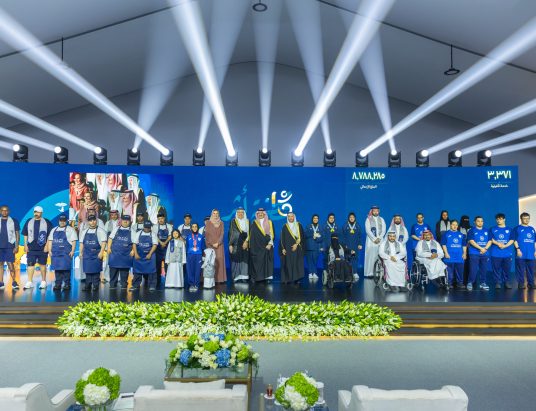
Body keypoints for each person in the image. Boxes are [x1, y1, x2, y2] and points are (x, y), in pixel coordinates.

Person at [22, 206, 52, 290]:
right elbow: (25, 234)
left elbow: (50, 235)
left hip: (42, 247)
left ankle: (43, 282)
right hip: (31, 247)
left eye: (38, 212)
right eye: (35, 212)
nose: (36, 213)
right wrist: (25, 245)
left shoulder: (46, 222)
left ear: (41, 213)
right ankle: (29, 282)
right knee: (30, 264)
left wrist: (47, 245)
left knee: (42, 264)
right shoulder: (29, 221)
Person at [47, 214, 77, 291]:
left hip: (66, 253)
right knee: (57, 270)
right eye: (61, 221)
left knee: (66, 269)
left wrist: (72, 251)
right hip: (56, 253)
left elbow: (74, 241)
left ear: (66, 221)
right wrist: (49, 250)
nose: (62, 222)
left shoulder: (70, 230)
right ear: (59, 221)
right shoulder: (53, 230)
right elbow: (50, 241)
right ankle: (58, 284)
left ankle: (67, 284)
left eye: (64, 221)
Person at [79, 214, 107, 292]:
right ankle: (87, 286)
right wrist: (80, 252)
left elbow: (104, 243)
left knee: (96, 271)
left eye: (94, 220)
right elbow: (81, 243)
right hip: (87, 254)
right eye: (91, 221)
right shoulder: (84, 231)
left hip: (96, 254)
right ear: (88, 222)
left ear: (96, 221)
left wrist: (101, 252)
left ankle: (95, 286)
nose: (93, 222)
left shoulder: (101, 231)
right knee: (87, 271)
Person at [107, 214, 134, 289]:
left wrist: (133, 250)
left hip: (126, 255)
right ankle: (112, 284)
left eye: (127, 220)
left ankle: (124, 285)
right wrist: (108, 248)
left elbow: (135, 242)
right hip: (114, 254)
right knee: (113, 271)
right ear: (121, 221)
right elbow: (110, 238)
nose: (125, 221)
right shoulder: (116, 229)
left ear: (130, 221)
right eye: (124, 220)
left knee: (124, 272)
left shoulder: (132, 231)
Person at [489, 213, 514, 289]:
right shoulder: (492, 229)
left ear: (504, 219)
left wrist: (505, 246)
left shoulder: (510, 229)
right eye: (497, 219)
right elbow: (491, 239)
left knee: (507, 269)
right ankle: (497, 283)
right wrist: (498, 244)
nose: (499, 220)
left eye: (500, 219)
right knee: (496, 269)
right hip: (495, 253)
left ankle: (506, 282)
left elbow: (512, 239)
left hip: (507, 253)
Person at [248, 208, 274, 282]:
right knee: (257, 262)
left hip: (266, 245)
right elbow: (251, 235)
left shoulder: (269, 222)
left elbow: (272, 234)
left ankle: (267, 278)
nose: (260, 214)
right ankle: (256, 277)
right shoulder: (254, 222)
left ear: (264, 214)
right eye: (258, 213)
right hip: (256, 246)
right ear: (257, 214)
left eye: (261, 213)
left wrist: (270, 244)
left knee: (267, 262)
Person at [466, 216, 491, 291]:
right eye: (478, 221)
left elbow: (490, 241)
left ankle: (483, 283)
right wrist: (481, 248)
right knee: (473, 269)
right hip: (474, 253)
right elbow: (471, 241)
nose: (480, 222)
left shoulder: (487, 230)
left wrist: (485, 249)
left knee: (484, 269)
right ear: (475, 222)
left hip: (484, 253)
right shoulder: (471, 230)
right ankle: (470, 282)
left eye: (481, 221)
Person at [131, 221, 158, 292]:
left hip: (150, 255)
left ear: (150, 227)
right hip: (139, 254)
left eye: (148, 228)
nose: (147, 229)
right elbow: (134, 244)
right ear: (143, 227)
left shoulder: (153, 234)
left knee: (152, 270)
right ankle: (135, 285)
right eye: (145, 227)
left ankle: (152, 285)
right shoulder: (138, 233)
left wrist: (150, 254)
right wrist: (136, 254)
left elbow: (155, 245)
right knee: (137, 270)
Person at [279, 212, 305, 284]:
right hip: (288, 249)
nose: (290, 218)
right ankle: (288, 279)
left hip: (297, 248)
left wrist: (296, 244)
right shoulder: (285, 226)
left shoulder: (299, 225)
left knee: (297, 263)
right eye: (289, 216)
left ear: (294, 217)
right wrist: (283, 248)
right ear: (287, 217)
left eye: (292, 216)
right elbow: (282, 239)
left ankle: (297, 279)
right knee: (288, 263)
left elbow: (302, 236)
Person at [441, 220, 467, 289]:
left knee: (460, 271)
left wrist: (464, 253)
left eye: (456, 225)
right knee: (449, 272)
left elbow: (464, 245)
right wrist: (446, 253)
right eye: (453, 224)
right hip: (449, 256)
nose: (455, 226)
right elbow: (443, 244)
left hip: (459, 256)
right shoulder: (446, 234)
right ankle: (449, 283)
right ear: (450, 225)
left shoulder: (461, 235)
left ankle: (460, 283)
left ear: (457, 226)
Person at [513, 212, 536, 289]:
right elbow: (514, 240)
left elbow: (534, 241)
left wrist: (535, 251)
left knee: (531, 269)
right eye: (524, 218)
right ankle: (521, 283)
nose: (526, 220)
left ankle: (531, 283)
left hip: (531, 253)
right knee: (520, 269)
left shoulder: (532, 229)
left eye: (528, 218)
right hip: (521, 253)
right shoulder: (517, 228)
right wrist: (518, 249)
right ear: (521, 219)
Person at [0, 205, 20, 290]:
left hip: (9, 246)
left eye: (6, 210)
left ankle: (14, 282)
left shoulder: (14, 221)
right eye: (2, 210)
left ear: (9, 211)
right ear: (0, 211)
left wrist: (16, 246)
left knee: (11, 266)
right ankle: (1, 282)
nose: (4, 212)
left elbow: (17, 234)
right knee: (0, 265)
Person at [204, 209, 226, 284]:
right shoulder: (208, 222)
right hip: (210, 245)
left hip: (219, 246)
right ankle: (211, 279)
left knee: (219, 261)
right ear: (212, 214)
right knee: (211, 261)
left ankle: (219, 279)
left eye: (217, 213)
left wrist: (218, 243)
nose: (216, 215)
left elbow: (222, 234)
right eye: (214, 213)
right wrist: (212, 243)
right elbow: (207, 235)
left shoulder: (221, 223)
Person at [364, 206, 386, 278]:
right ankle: (369, 273)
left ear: (378, 211)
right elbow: (368, 230)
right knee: (371, 256)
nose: (375, 212)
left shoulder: (382, 219)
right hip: (371, 241)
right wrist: (374, 239)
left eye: (377, 211)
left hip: (380, 240)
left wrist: (379, 238)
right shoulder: (368, 219)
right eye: (374, 211)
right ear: (372, 211)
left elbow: (384, 230)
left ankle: (378, 273)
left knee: (379, 256)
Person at [228, 207, 249, 282]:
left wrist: (246, 242)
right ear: (236, 213)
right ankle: (236, 277)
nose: (240, 214)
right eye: (239, 212)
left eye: (242, 212)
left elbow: (250, 233)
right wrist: (230, 244)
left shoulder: (247, 221)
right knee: (235, 260)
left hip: (244, 243)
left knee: (244, 260)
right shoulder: (233, 221)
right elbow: (231, 233)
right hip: (235, 244)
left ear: (244, 213)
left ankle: (244, 277)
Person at [153, 212, 172, 288]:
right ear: (157, 219)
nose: (160, 220)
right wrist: (161, 242)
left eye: (162, 218)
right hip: (158, 249)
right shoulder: (155, 227)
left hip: (166, 249)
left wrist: (165, 242)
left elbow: (170, 236)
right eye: (159, 219)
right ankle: (157, 282)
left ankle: (168, 282)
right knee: (157, 266)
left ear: (164, 218)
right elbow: (154, 236)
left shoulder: (169, 226)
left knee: (167, 266)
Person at [342, 212, 362, 282]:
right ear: (348, 218)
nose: (351, 218)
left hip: (355, 245)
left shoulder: (358, 226)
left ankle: (355, 272)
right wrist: (344, 245)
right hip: (347, 245)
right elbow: (342, 236)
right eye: (350, 217)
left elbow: (360, 236)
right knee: (347, 259)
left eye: (353, 217)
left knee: (355, 258)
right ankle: (347, 273)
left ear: (355, 218)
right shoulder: (345, 226)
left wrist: (360, 244)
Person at [185, 222, 204, 291]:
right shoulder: (188, 236)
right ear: (191, 228)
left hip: (198, 254)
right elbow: (187, 246)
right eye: (193, 227)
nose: (194, 228)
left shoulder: (201, 236)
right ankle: (191, 284)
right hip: (190, 254)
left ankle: (196, 284)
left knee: (197, 270)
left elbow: (203, 246)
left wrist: (202, 255)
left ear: (198, 228)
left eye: (196, 226)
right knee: (190, 270)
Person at [304, 214, 323, 280]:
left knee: (315, 260)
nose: (315, 219)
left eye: (317, 218)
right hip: (309, 246)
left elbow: (321, 237)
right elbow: (305, 234)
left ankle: (314, 273)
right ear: (312, 219)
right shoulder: (308, 226)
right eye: (314, 218)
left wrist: (316, 238)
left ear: (318, 219)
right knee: (309, 261)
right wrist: (313, 234)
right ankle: (310, 273)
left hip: (316, 246)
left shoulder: (320, 227)